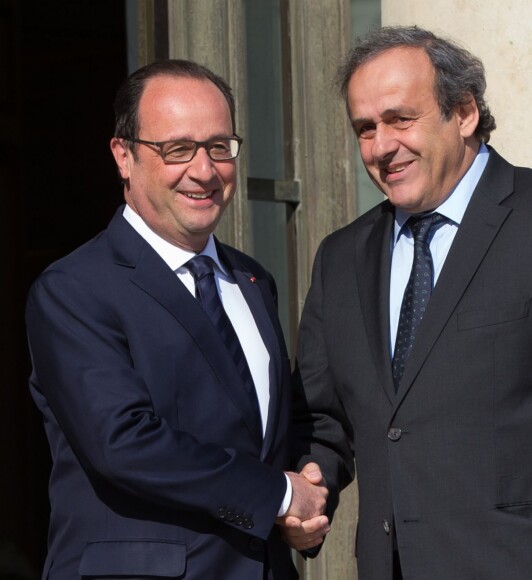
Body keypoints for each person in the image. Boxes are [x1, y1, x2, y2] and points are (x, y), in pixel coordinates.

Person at [289, 25, 532, 579]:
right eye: (365, 128)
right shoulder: (342, 256)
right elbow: (324, 417)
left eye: (401, 119)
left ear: (465, 112)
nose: (381, 146)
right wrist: (310, 481)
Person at [26, 59, 328, 580]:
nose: (204, 170)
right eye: (177, 150)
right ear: (124, 156)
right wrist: (278, 495)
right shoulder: (74, 289)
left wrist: (310, 493)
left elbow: (272, 432)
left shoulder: (253, 281)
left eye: (218, 147)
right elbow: (124, 442)